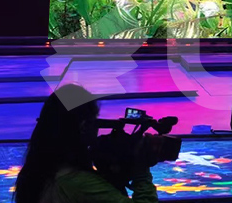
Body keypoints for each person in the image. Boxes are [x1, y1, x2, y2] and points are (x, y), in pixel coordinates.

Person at [14, 84, 159, 203]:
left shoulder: (36, 175)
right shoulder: (79, 183)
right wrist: (141, 170)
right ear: (83, 126)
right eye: (95, 120)